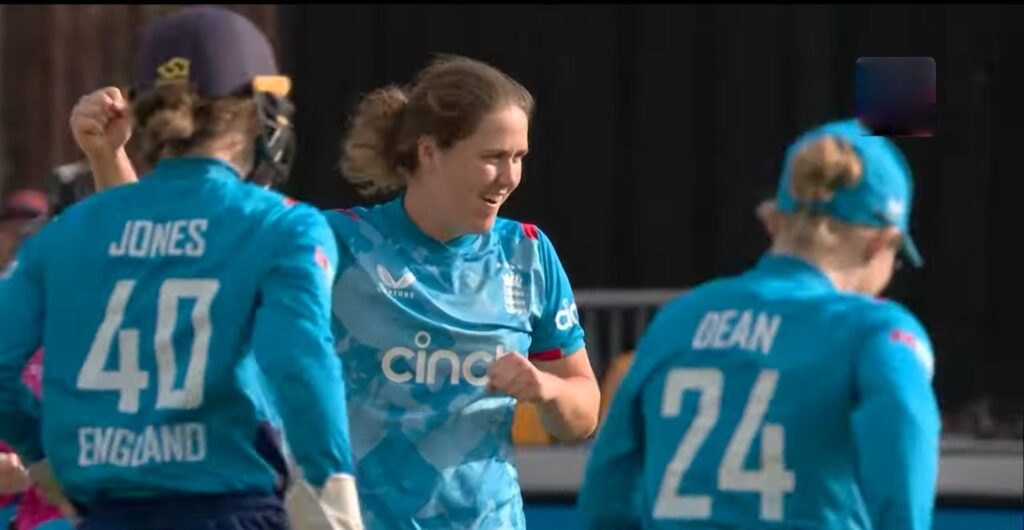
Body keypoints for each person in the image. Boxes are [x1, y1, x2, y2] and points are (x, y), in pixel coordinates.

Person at [72, 53, 602, 529]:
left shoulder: (527, 253)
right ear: (429, 151)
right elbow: (176, 261)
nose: (509, 176)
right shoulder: (339, 243)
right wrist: (107, 157)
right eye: (493, 156)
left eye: (519, 157)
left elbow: (582, 413)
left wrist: (545, 390)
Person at [0, 6, 362, 530]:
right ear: (259, 110)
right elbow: (298, 361)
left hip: (108, 514)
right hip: (230, 508)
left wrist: (41, 456)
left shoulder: (63, 235)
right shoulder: (282, 226)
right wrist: (331, 489)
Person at [579, 118, 941, 530]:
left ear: (773, 221)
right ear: (880, 243)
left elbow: (607, 489)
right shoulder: (875, 332)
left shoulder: (679, 320)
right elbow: (903, 436)